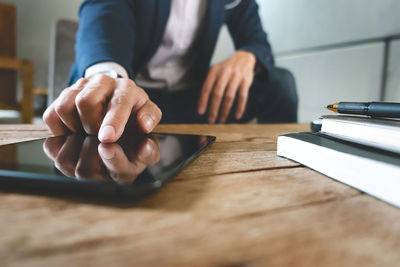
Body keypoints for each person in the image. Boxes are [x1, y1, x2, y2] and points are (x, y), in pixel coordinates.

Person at [43, 0, 298, 143]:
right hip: (136, 101)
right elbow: (103, 17)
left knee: (281, 83)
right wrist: (108, 79)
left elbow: (258, 41)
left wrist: (249, 55)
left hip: (198, 102)